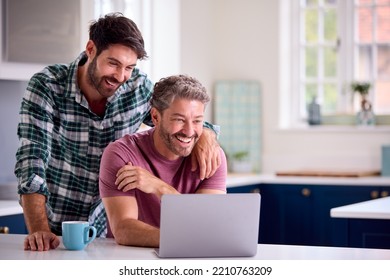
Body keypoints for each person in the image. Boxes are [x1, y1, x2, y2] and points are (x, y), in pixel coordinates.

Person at [14, 13, 221, 252]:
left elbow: (171, 119)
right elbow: (32, 160)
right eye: (113, 63)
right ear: (91, 49)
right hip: (56, 227)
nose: (121, 76)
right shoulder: (48, 86)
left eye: (130, 67)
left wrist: (207, 133)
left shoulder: (137, 88)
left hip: (107, 231)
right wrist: (40, 229)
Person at [99, 74, 227, 248]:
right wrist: (186, 239)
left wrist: (159, 187)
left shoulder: (211, 156)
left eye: (197, 121)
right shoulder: (122, 153)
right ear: (155, 117)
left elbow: (205, 225)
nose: (189, 131)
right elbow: (123, 228)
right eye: (179, 120)